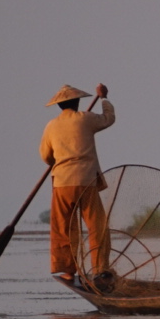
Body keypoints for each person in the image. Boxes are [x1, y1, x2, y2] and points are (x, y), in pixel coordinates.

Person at [41, 83, 116, 291]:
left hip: (62, 183)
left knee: (63, 228)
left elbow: (46, 157)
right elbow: (108, 119)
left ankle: (67, 270)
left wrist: (59, 158)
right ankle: (100, 269)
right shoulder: (86, 118)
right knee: (96, 226)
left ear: (59, 106)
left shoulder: (51, 126)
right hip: (86, 182)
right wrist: (104, 99)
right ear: (77, 103)